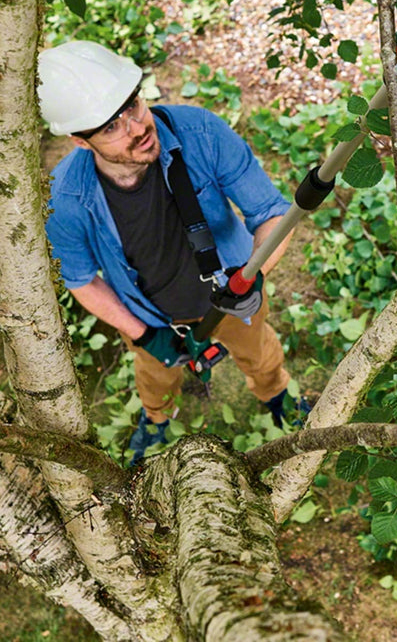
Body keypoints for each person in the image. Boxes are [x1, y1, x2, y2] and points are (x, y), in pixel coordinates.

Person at [39, 40, 301, 464]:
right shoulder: (65, 198)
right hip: (149, 316)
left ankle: (276, 396)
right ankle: (158, 418)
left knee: (260, 353)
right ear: (80, 142)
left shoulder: (201, 133)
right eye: (111, 127)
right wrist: (143, 334)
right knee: (155, 377)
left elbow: (272, 213)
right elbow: (81, 279)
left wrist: (255, 275)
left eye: (134, 106)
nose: (137, 127)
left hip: (235, 295)